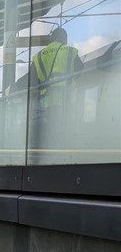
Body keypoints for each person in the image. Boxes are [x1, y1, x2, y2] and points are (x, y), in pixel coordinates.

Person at [29, 27, 82, 157]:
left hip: (43, 104)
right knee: (61, 137)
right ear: (64, 39)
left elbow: (33, 83)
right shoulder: (70, 52)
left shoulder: (38, 57)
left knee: (44, 138)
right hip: (63, 102)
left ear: (52, 38)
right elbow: (79, 71)